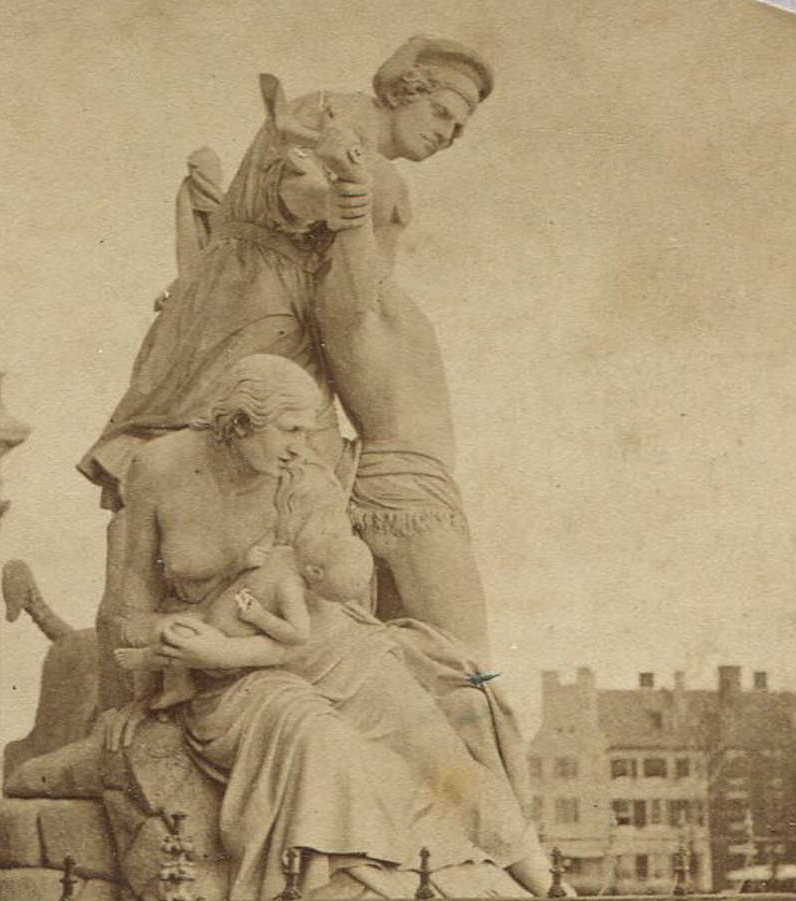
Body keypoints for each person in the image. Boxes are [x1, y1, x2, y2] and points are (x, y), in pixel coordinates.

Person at [105, 354, 639, 901]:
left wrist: (319, 541)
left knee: (446, 759)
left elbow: (337, 575)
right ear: (242, 421)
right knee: (311, 736)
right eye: (289, 429)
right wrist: (148, 674)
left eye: (308, 430)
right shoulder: (161, 468)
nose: (301, 445)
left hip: (332, 648)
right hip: (234, 672)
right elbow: (129, 602)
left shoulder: (304, 480)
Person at [80, 37, 498, 708]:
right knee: (263, 471)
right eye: (443, 113)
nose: (447, 134)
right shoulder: (339, 124)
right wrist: (344, 206)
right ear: (405, 92)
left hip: (256, 311)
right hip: (257, 319)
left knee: (273, 480)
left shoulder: (353, 149)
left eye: (459, 128)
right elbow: (302, 205)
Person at [113, 521, 375, 708]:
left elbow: (298, 634)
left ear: (315, 571)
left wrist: (260, 617)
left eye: (327, 540)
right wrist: (246, 560)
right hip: (211, 620)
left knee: (177, 636)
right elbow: (263, 546)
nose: (323, 533)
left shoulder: (290, 589)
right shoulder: (283, 552)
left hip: (226, 640)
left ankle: (152, 661)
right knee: (172, 626)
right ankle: (179, 684)